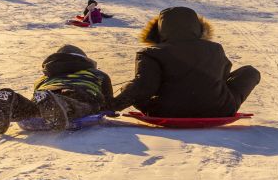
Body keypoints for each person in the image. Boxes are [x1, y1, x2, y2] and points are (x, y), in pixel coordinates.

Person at [109, 7, 260, 117]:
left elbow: (144, 87)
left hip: (166, 111)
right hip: (218, 109)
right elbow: (222, 76)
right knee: (250, 72)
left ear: (160, 30)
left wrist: (113, 106)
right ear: (198, 27)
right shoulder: (215, 48)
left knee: (129, 86)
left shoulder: (150, 53)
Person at [0, 44, 114, 134]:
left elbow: (37, 93)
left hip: (48, 90)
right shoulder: (96, 73)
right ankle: (57, 104)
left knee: (34, 109)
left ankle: (15, 103)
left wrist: (42, 97)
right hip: (80, 91)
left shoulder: (45, 76)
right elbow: (108, 101)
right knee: (78, 105)